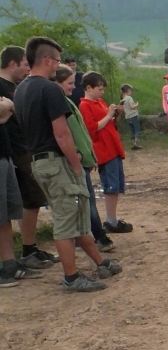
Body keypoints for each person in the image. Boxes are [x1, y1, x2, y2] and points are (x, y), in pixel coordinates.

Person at [12, 36, 121, 292]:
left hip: (38, 161)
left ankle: (100, 262)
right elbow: (61, 133)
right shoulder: (50, 90)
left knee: (74, 213)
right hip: (56, 162)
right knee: (65, 221)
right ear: (47, 60)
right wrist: (75, 163)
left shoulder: (22, 89)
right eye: (58, 60)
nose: (60, 65)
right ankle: (71, 277)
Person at [0, 45, 59, 270]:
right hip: (14, 149)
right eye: (25, 64)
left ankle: (30, 247)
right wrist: (9, 108)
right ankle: (27, 249)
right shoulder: (2, 85)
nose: (28, 68)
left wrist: (10, 109)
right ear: (12, 63)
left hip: (21, 148)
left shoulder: (16, 87)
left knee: (32, 200)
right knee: (31, 199)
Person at [53, 66, 115, 253]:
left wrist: (89, 156)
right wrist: (78, 156)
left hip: (81, 159)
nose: (74, 87)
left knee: (84, 201)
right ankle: (99, 237)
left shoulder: (67, 102)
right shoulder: (62, 105)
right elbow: (72, 134)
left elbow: (81, 134)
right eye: (70, 83)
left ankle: (84, 237)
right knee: (86, 201)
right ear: (57, 83)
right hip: (74, 161)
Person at [79, 72, 132, 235]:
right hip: (103, 150)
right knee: (110, 185)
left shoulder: (99, 102)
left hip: (113, 148)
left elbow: (110, 125)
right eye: (100, 89)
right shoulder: (85, 106)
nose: (102, 92)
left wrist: (116, 115)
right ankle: (110, 220)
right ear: (89, 88)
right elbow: (91, 129)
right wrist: (109, 115)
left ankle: (112, 218)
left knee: (116, 185)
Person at [0, 94, 42, 287]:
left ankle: (10, 265)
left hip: (5, 154)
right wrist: (8, 108)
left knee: (6, 214)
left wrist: (6, 111)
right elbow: (6, 108)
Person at [120, 83, 140, 149]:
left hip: (127, 117)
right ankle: (136, 143)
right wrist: (136, 105)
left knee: (132, 131)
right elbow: (132, 107)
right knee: (137, 129)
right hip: (133, 116)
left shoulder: (122, 100)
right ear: (128, 90)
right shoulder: (129, 98)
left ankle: (132, 143)